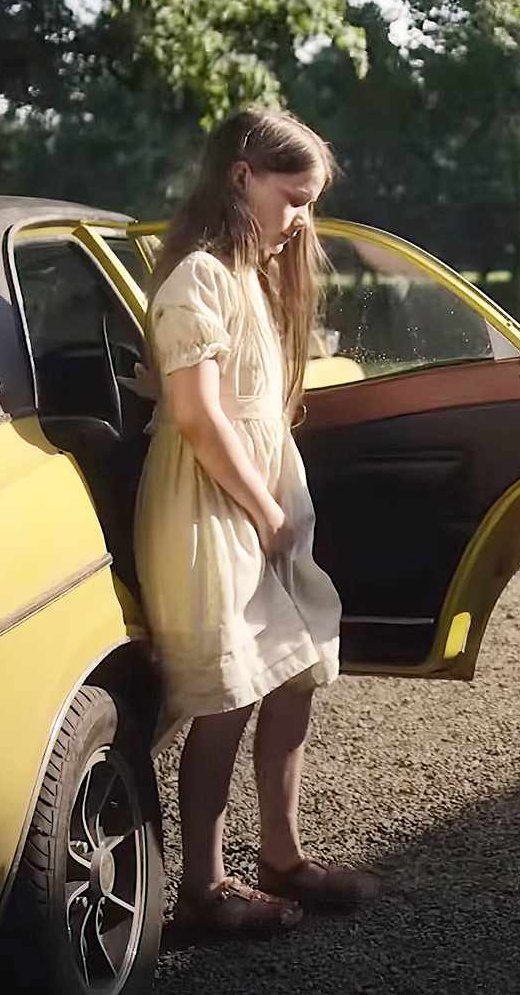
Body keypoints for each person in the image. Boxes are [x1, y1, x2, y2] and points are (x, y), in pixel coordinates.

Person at [135, 108, 380, 934]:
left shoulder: (249, 275)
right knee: (228, 691)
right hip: (212, 500)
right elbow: (200, 420)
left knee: (296, 668)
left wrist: (278, 500)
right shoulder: (198, 277)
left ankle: (281, 852)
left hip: (257, 492)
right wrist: (266, 506)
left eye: (310, 200)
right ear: (242, 175)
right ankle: (202, 891)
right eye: (294, 196)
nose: (302, 215)